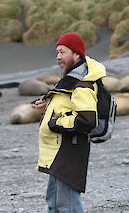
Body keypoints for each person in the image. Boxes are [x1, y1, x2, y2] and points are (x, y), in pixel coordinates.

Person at [34, 32, 106, 213]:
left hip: (69, 151)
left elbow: (87, 120)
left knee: (68, 206)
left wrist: (54, 123)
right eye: (57, 52)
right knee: (54, 202)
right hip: (60, 150)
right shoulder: (71, 79)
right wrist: (46, 109)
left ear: (77, 54)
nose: (58, 57)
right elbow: (67, 107)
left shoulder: (83, 84)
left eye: (63, 52)